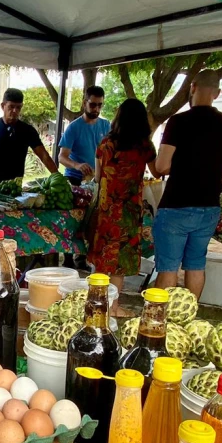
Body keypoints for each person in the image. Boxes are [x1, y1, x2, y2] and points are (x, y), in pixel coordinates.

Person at [153, 69, 222, 299]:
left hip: (176, 203)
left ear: (192, 87)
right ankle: (190, 315)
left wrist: (183, 165)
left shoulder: (178, 122)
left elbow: (161, 166)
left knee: (169, 267)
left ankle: (162, 320)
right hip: (209, 205)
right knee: (196, 264)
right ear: (217, 93)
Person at [88, 98, 157, 311]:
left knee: (102, 261)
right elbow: (157, 172)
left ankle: (95, 305)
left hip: (106, 211)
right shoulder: (145, 146)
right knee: (118, 265)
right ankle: (114, 307)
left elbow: (98, 178)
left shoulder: (105, 144)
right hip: (129, 211)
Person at [0, 88, 58, 182]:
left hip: (15, 186)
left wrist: (57, 176)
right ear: (3, 106)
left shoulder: (27, 130)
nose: (15, 111)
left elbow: (43, 155)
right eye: (11, 107)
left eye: (18, 107)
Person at [58, 86, 110, 186]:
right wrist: (77, 165)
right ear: (84, 103)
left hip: (98, 179)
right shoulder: (73, 127)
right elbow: (61, 157)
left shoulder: (106, 125)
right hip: (75, 178)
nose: (96, 109)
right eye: (92, 105)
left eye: (100, 105)